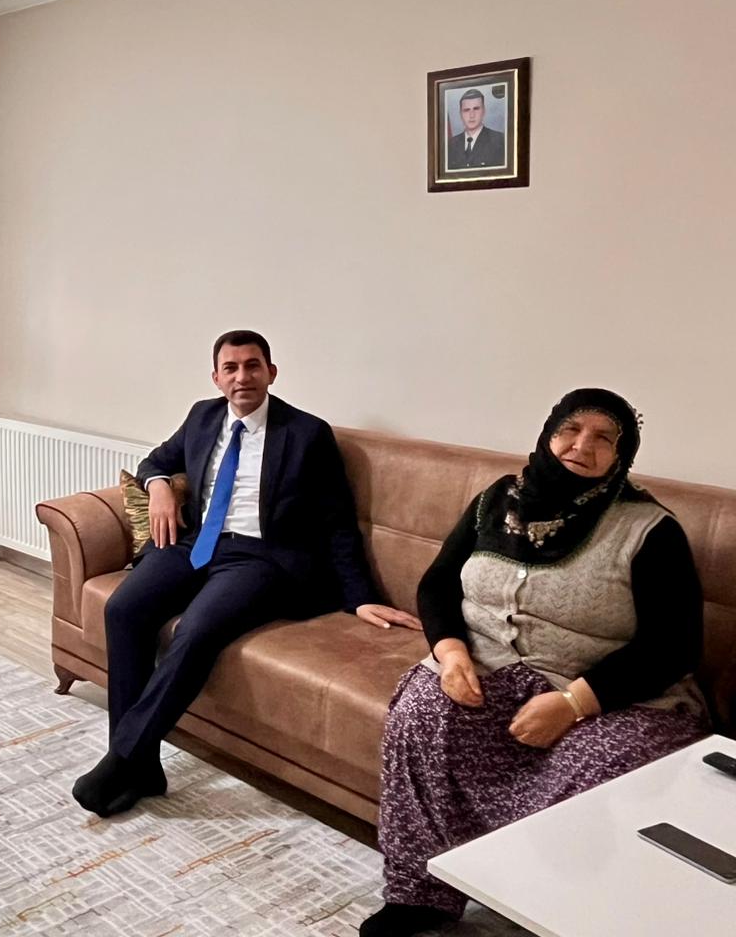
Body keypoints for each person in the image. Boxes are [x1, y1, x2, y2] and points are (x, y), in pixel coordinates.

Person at [361, 388, 709, 937]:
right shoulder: (496, 500)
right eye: (571, 429)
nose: (582, 445)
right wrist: (450, 653)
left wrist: (573, 702)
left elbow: (674, 646)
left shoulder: (649, 529)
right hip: (490, 668)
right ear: (549, 433)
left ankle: (551, 907)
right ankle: (420, 893)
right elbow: (437, 584)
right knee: (421, 712)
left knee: (602, 765)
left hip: (614, 694)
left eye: (604, 438)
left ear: (622, 455)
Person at [72, 330, 419, 817]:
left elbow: (337, 521)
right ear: (216, 378)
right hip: (197, 544)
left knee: (197, 630)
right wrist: (159, 487)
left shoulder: (306, 433)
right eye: (230, 368)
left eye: (252, 366)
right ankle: (142, 767)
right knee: (124, 609)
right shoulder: (202, 416)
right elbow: (156, 460)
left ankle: (121, 759)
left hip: (261, 556)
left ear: (271, 373)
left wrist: (360, 595)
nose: (242, 377)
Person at [443, 88, 506, 171]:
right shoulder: (449, 145)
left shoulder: (500, 141)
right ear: (460, 114)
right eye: (466, 110)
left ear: (483, 111)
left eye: (476, 109)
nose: (471, 115)